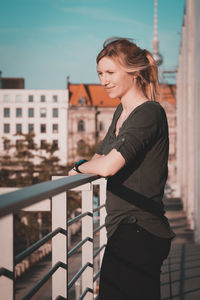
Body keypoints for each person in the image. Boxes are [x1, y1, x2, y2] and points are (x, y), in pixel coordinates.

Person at [68, 37, 175, 300]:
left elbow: (106, 166)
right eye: (100, 73)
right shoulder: (121, 112)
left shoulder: (148, 113)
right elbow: (99, 156)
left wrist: (80, 167)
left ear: (134, 72)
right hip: (124, 228)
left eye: (110, 72)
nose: (104, 80)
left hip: (139, 229)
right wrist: (85, 166)